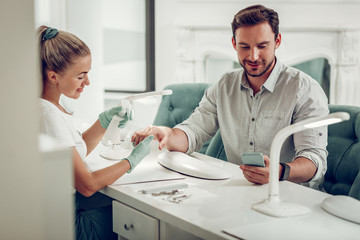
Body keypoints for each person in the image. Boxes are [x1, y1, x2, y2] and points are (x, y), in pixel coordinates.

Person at [132, 5, 329, 189]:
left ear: (277, 41)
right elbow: (194, 131)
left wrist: (278, 171)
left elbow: (315, 160)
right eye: (244, 46)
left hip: (292, 195)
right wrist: (166, 133)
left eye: (262, 46)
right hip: (240, 190)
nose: (253, 56)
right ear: (234, 43)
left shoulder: (305, 89)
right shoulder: (224, 85)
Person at [38, 26, 153, 240]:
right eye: (81, 76)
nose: (87, 82)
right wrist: (132, 161)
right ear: (53, 76)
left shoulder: (49, 106)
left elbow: (72, 155)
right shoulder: (48, 114)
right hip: (69, 223)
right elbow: (87, 185)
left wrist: (104, 121)